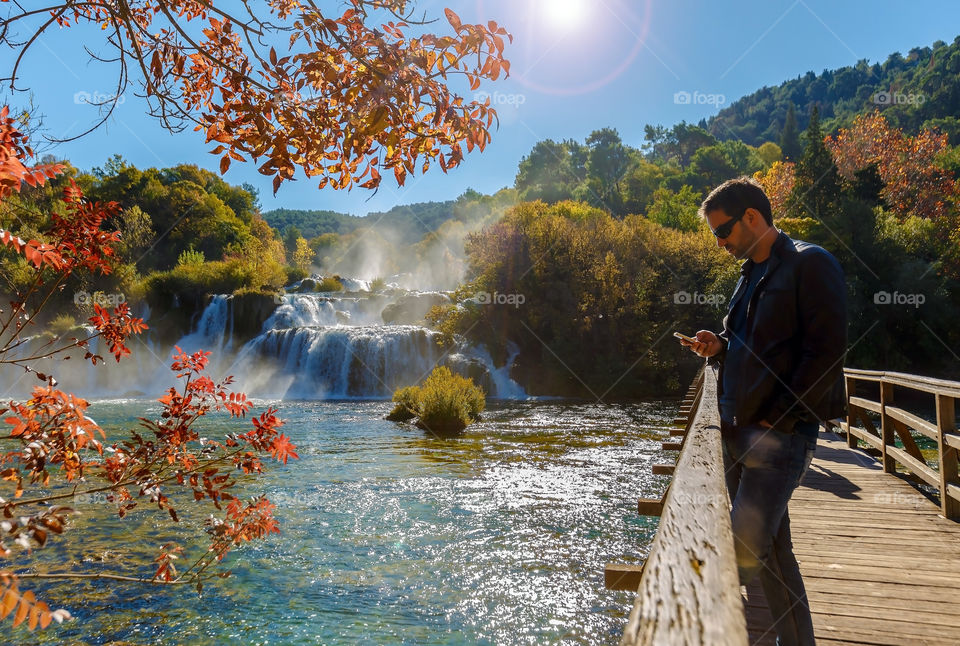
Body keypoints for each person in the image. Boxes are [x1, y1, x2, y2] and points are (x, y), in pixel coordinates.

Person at [680, 177, 847, 646]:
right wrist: (719, 346)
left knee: (735, 554)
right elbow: (751, 346)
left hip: (778, 439)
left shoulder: (810, 264)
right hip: (738, 431)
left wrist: (781, 418)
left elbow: (827, 353)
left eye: (723, 231)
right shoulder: (748, 274)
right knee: (773, 554)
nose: (720, 243)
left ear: (751, 217)